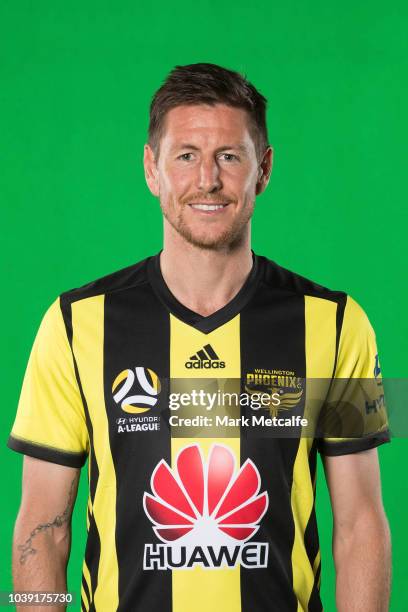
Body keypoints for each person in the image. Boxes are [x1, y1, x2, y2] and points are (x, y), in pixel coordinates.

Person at [8, 63, 391, 612]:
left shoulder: (337, 322)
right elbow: (42, 528)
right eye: (185, 155)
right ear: (151, 169)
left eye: (229, 157)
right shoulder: (72, 324)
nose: (207, 179)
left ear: (263, 170)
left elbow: (360, 524)